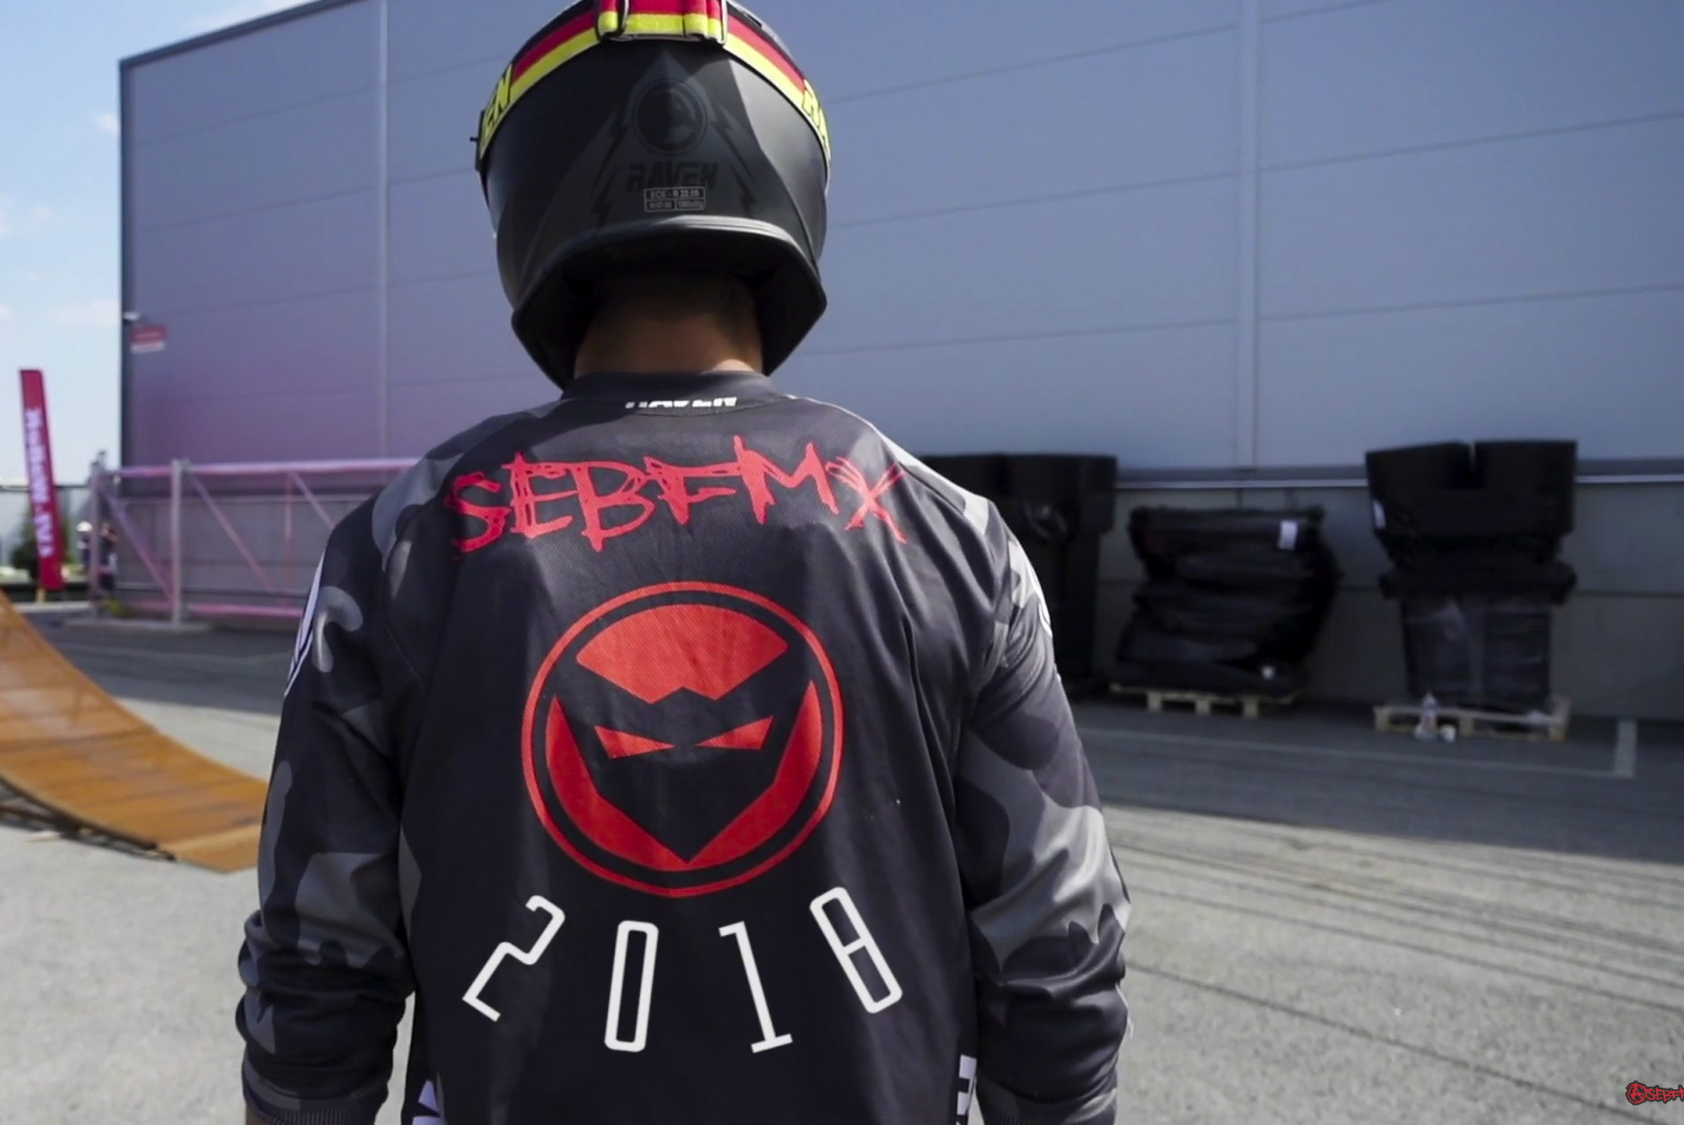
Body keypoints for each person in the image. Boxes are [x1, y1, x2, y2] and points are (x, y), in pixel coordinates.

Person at [236, 4, 1131, 1123]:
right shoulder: (950, 533)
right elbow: (1058, 940)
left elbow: (317, 958)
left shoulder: (404, 540)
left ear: (526, 199)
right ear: (792, 187)